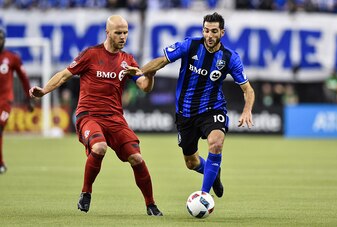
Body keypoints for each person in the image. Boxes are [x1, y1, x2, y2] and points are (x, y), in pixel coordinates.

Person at [29, 15, 163, 216]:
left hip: (115, 118)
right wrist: (44, 91)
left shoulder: (128, 61)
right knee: (99, 147)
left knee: (136, 158)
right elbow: (64, 75)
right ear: (107, 33)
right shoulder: (90, 55)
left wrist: (150, 75)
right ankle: (86, 192)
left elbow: (144, 87)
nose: (123, 37)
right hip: (88, 115)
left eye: (125, 32)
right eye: (118, 33)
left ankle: (151, 205)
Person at [124, 12, 255, 198]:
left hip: (213, 109)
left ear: (222, 33)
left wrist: (247, 110)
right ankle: (214, 172)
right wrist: (139, 71)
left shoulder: (229, 58)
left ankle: (203, 196)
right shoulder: (190, 45)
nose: (209, 35)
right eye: (206, 30)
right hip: (185, 112)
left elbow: (248, 90)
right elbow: (161, 61)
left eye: (214, 31)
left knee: (216, 143)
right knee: (191, 163)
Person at [0, 28, 34, 174]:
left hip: (5, 101)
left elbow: (24, 78)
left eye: (0, 38)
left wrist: (29, 98)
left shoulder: (12, 57)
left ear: (4, 40)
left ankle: (0, 163)